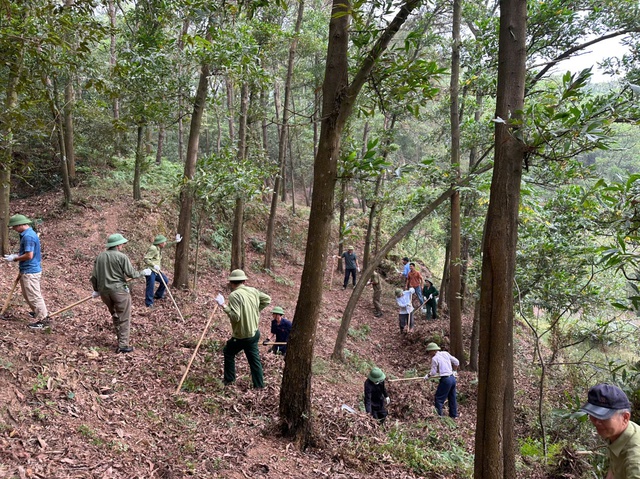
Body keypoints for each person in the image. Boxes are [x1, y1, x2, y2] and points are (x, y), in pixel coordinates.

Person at [90, 234, 151, 353]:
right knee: (124, 317)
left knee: (115, 315)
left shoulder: (100, 257)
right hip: (119, 291)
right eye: (122, 244)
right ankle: (123, 345)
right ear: (117, 245)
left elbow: (94, 276)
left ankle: (120, 340)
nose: (123, 245)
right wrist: (143, 272)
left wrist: (96, 289)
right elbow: (131, 274)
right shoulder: (122, 257)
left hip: (105, 293)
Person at [215, 269, 271, 388]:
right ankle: (259, 386)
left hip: (242, 335)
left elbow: (235, 317)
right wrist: (254, 310)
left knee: (228, 352)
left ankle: (229, 380)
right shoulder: (253, 291)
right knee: (254, 360)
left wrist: (223, 305)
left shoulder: (234, 295)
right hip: (254, 333)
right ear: (244, 281)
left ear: (231, 283)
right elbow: (267, 299)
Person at [580, 383, 640, 478]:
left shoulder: (635, 462)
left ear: (625, 417)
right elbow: (613, 468)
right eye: (593, 415)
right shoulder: (618, 433)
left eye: (603, 417)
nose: (597, 422)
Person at [4, 214, 50, 329]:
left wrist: (15, 258)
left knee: (34, 296)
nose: (14, 229)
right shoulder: (27, 234)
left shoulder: (28, 236)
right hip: (27, 269)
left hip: (30, 271)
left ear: (20, 225)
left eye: (14, 227)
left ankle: (43, 320)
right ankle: (37, 311)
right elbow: (26, 252)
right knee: (27, 294)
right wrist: (16, 256)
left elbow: (29, 255)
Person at [142, 233, 182, 308]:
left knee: (165, 280)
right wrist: (153, 265)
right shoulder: (153, 248)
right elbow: (146, 259)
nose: (165, 243)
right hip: (150, 270)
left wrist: (176, 241)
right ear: (160, 243)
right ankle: (149, 303)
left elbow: (168, 245)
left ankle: (158, 295)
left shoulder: (159, 247)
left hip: (156, 271)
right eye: (164, 242)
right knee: (151, 286)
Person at [424, 342, 459, 418]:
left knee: (439, 398)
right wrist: (454, 371)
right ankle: (454, 415)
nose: (429, 353)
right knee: (452, 397)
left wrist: (428, 376)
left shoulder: (434, 358)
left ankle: (439, 416)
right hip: (452, 379)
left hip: (446, 380)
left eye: (430, 351)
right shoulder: (445, 353)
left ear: (433, 351)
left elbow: (433, 372)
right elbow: (456, 362)